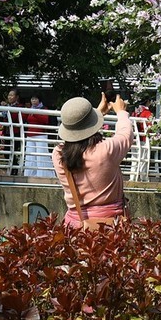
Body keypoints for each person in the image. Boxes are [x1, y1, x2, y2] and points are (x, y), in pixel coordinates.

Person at [54, 93, 132, 228]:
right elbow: (125, 133)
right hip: (108, 225)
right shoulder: (106, 150)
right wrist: (121, 112)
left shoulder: (58, 154)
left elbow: (80, 135)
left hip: (74, 225)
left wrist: (98, 113)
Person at [24, 94, 54, 179]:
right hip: (30, 135)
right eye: (32, 99)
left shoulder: (44, 109)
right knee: (30, 155)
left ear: (39, 100)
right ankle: (29, 174)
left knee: (41, 154)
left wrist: (35, 113)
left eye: (35, 99)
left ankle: (43, 175)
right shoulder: (30, 110)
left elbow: (45, 120)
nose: (33, 100)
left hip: (40, 134)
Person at [1, 88, 24, 176]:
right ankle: (14, 168)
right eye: (9, 95)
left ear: (17, 97)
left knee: (13, 151)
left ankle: (14, 169)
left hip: (16, 132)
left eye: (12, 95)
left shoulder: (20, 107)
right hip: (7, 132)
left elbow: (15, 117)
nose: (10, 97)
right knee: (7, 152)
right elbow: (5, 121)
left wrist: (6, 107)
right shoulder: (8, 106)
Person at [131, 99, 154, 182]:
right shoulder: (147, 113)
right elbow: (150, 127)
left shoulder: (135, 113)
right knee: (144, 159)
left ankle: (133, 177)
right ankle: (143, 178)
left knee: (134, 158)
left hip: (135, 139)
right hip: (144, 139)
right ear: (147, 102)